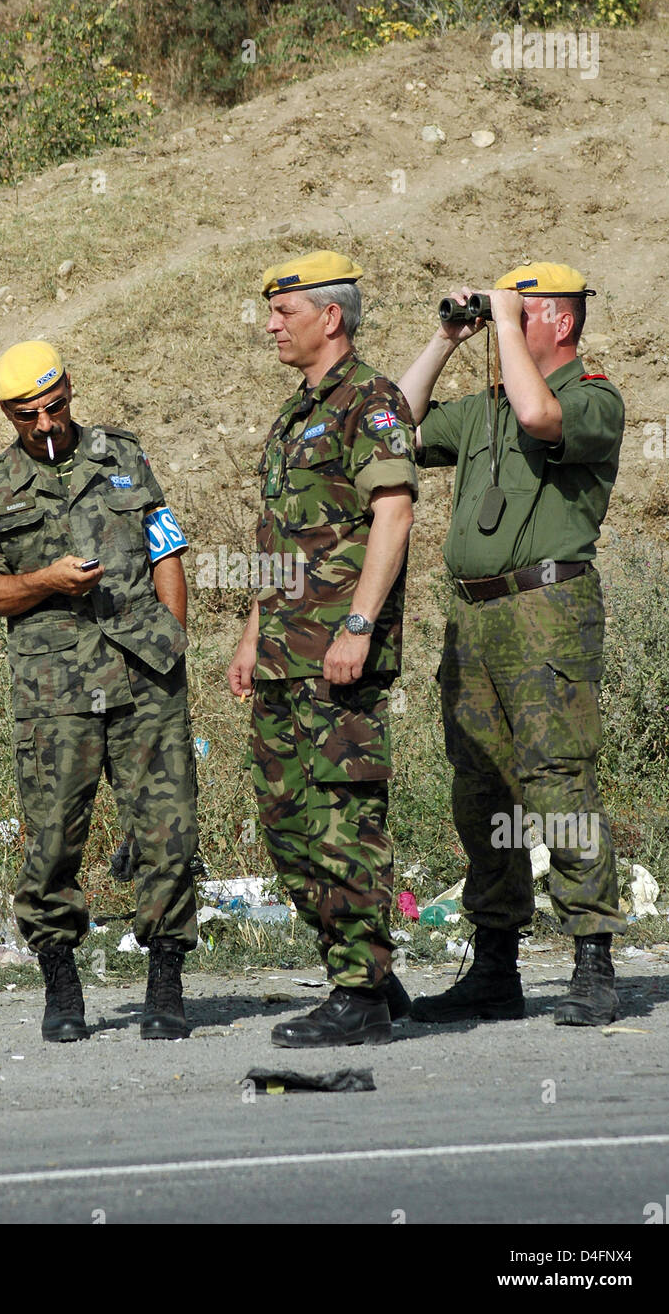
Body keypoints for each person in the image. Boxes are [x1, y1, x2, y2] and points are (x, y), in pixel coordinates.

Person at [396, 262, 625, 1026]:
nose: (507, 328)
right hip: (475, 618)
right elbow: (395, 422)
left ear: (559, 321)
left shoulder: (592, 398)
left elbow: (540, 417)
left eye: (522, 315)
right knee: (481, 789)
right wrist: (445, 338)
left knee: (555, 780)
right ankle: (496, 965)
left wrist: (503, 323)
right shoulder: (486, 406)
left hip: (547, 608)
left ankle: (592, 950)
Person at [0, 341, 199, 1043]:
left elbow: (166, 551)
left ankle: (166, 981)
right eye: (28, 414)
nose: (47, 422)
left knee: (168, 831)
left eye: (55, 405)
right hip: (55, 689)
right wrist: (46, 584)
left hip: (145, 675)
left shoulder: (122, 456)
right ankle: (61, 981)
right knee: (54, 839)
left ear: (70, 391)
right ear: (7, 414)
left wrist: (172, 640)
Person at [228, 251, 417, 1047]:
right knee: (287, 824)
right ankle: (365, 966)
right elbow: (279, 540)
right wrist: (248, 635)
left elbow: (394, 514)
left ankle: (361, 992)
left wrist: (359, 626)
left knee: (342, 817)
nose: (271, 325)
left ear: (330, 317)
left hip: (337, 655)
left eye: (285, 311)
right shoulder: (292, 413)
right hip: (281, 655)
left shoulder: (368, 402)